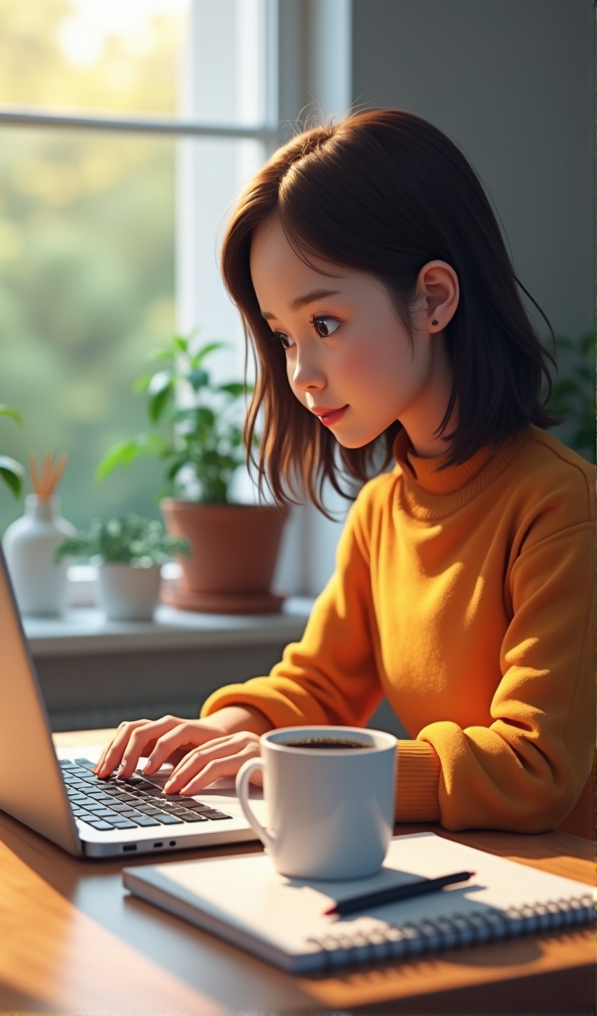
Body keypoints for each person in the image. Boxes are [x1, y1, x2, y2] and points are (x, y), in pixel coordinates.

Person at [94, 109, 594, 834]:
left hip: (563, 890)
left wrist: (298, 770)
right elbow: (320, 686)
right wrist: (224, 731)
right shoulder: (385, 508)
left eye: (324, 325)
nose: (301, 374)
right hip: (461, 866)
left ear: (433, 298)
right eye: (284, 337)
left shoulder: (562, 506)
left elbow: (535, 769)